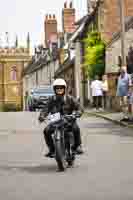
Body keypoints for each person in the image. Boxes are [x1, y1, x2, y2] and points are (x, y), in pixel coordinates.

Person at [38, 78, 84, 157]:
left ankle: (77, 146)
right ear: (54, 89)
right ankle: (52, 149)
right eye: (57, 88)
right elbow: (45, 109)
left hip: (68, 121)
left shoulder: (70, 98)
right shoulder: (51, 100)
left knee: (76, 128)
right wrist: (42, 116)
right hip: (56, 122)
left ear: (64, 88)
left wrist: (77, 113)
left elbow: (80, 108)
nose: (59, 89)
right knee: (46, 131)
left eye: (61, 88)